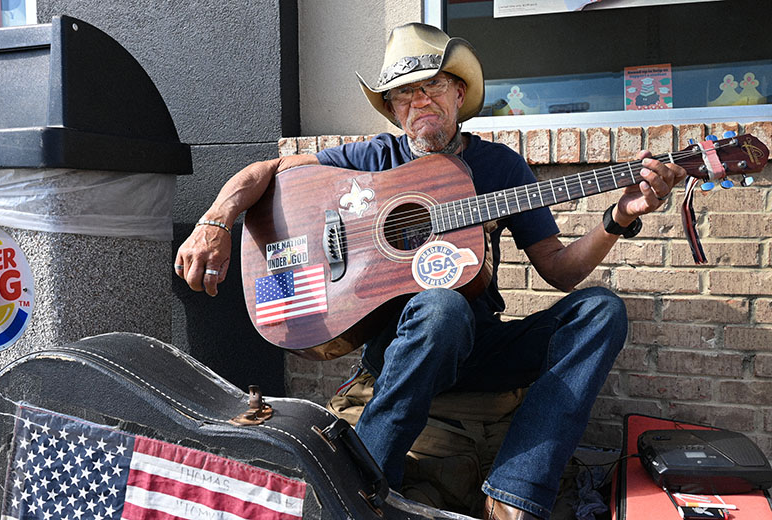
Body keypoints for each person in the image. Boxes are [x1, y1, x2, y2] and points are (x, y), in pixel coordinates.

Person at [175, 23, 687, 520]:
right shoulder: (370, 158)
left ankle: (517, 491)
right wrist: (216, 221)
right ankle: (361, 490)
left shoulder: (501, 168)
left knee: (600, 310)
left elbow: (558, 270)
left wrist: (619, 217)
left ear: (458, 93)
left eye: (431, 87)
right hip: (403, 348)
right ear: (393, 110)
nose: (419, 102)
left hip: (480, 346)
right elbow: (266, 171)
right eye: (403, 95)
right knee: (439, 305)